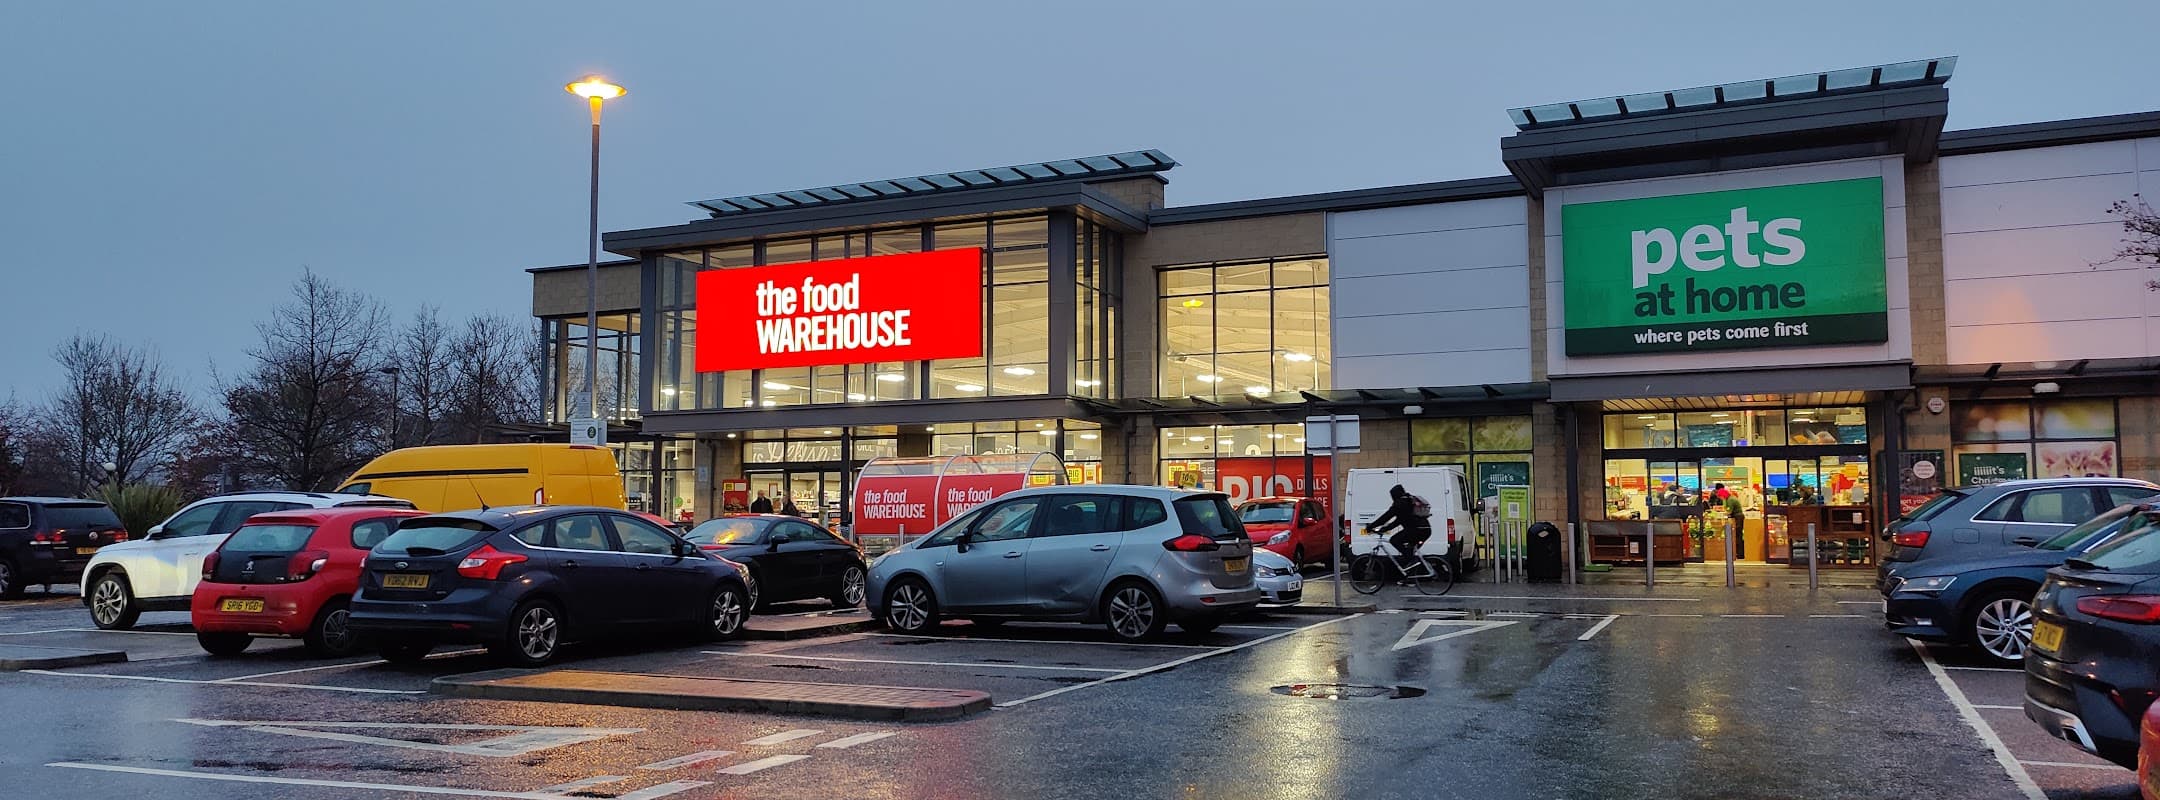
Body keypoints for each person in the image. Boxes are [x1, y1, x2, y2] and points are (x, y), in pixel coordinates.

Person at [1366, 484, 1432, 562]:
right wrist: (1384, 529)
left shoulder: (1400, 503)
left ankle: (1410, 561)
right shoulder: (1409, 500)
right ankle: (1412, 566)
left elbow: (1385, 517)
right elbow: (1398, 521)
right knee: (1408, 549)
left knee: (1394, 540)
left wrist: (1371, 526)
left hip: (1416, 530)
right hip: (1425, 529)